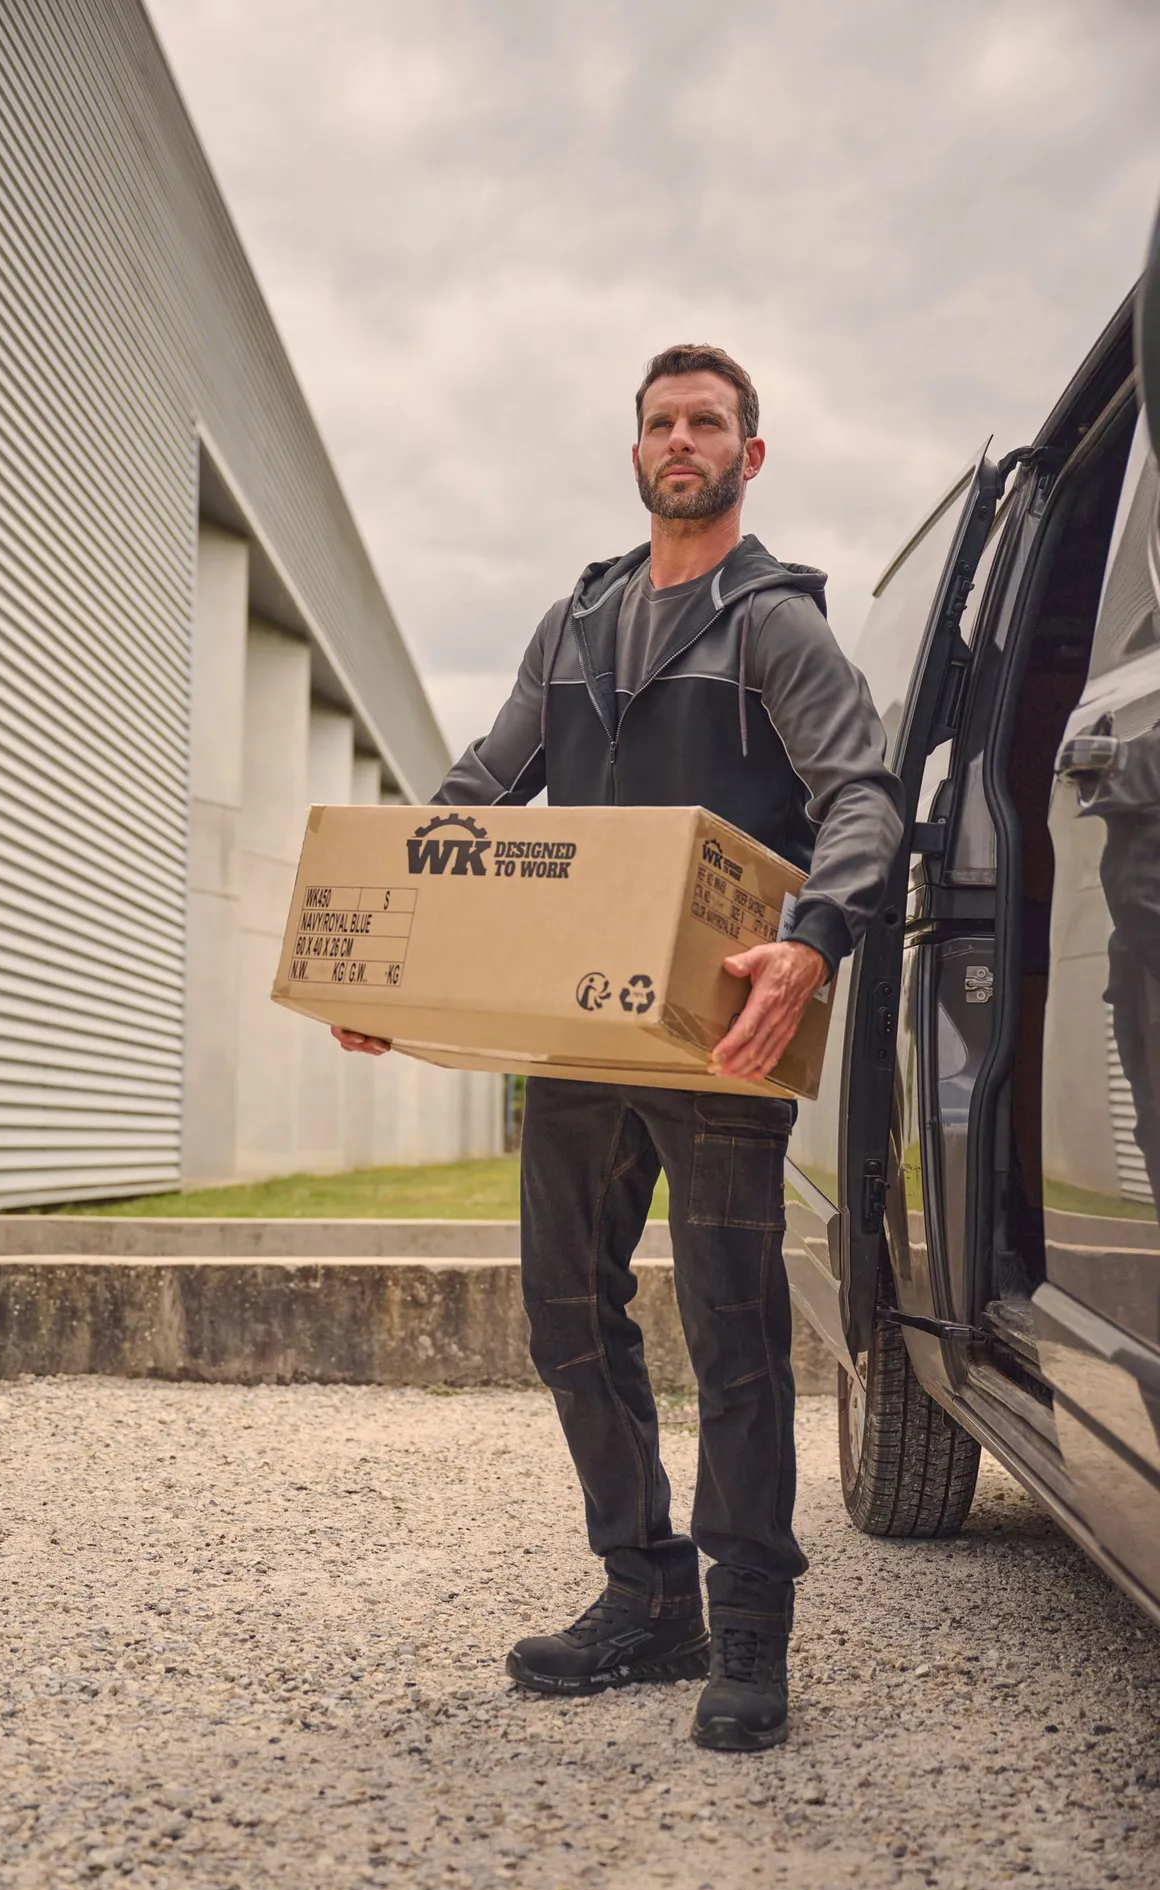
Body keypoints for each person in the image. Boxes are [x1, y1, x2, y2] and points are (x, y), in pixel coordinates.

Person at [333, 345, 901, 1751]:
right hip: (575, 1034)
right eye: (659, 421)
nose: (681, 439)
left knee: (734, 1332)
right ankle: (647, 1599)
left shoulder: (776, 625)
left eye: (708, 421)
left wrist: (814, 938)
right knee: (566, 1319)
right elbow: (479, 791)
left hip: (718, 1038)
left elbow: (866, 803)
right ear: (635, 448)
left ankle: (752, 1628)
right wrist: (385, 951)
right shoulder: (574, 625)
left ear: (749, 456)